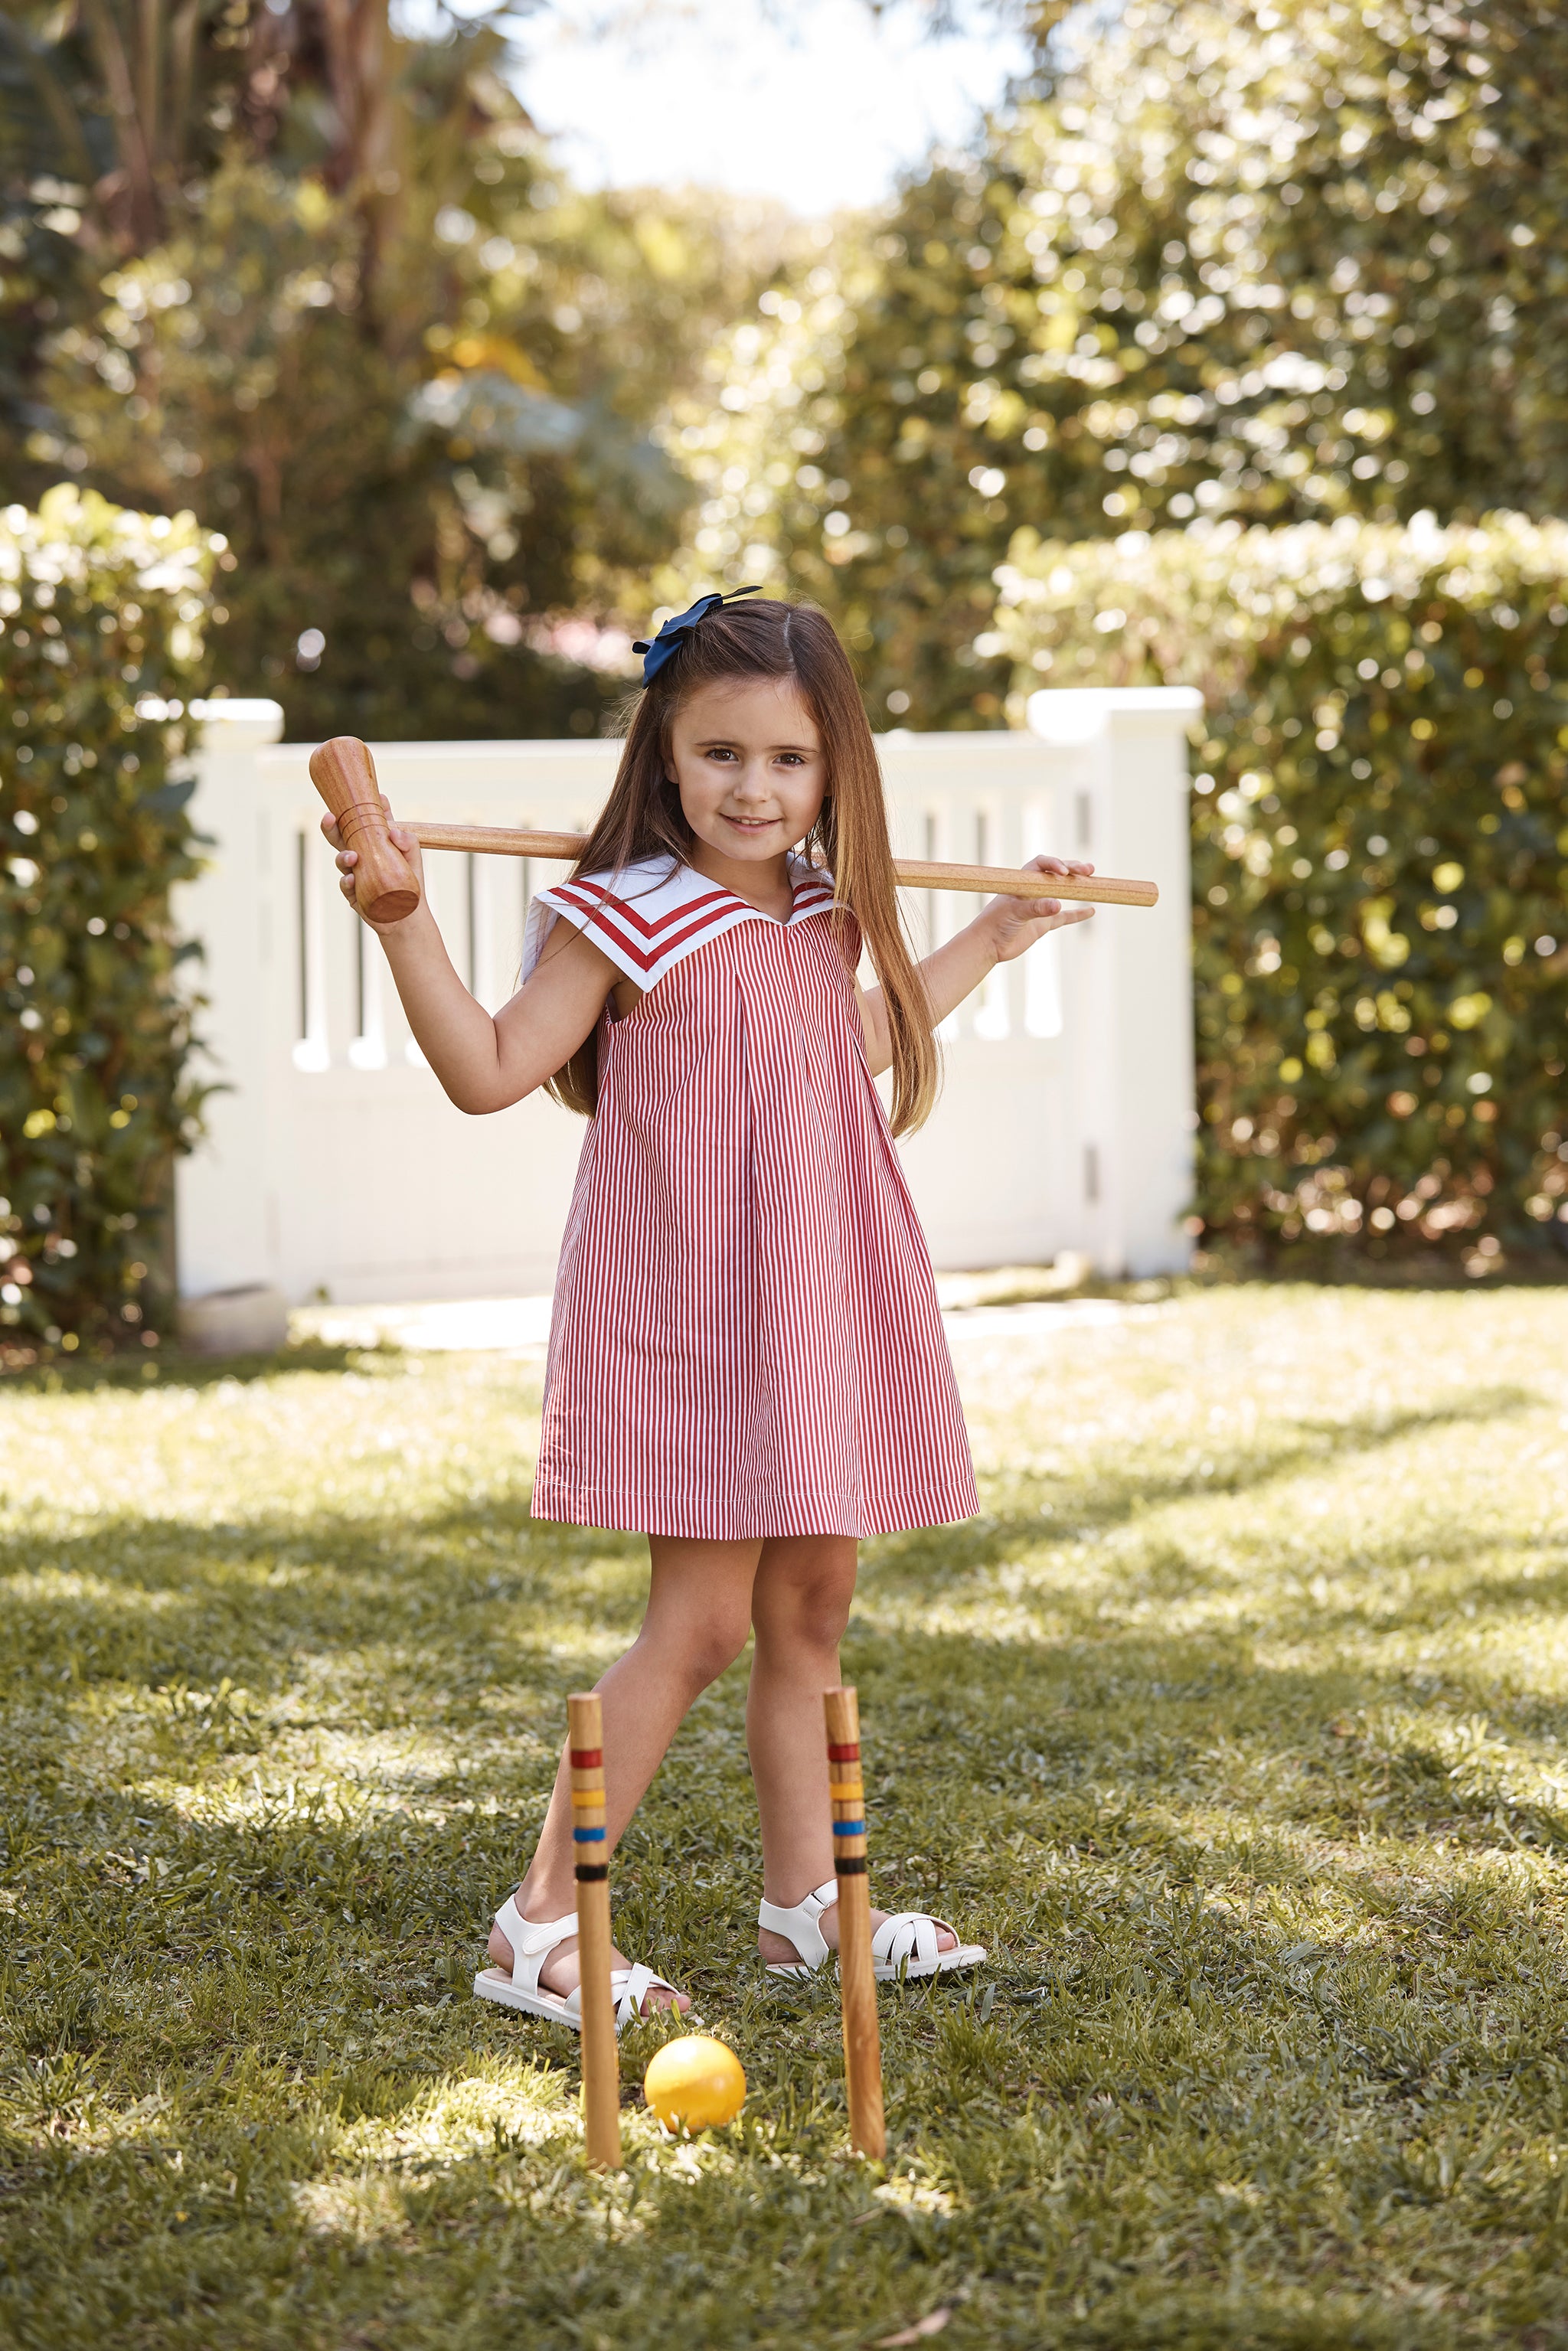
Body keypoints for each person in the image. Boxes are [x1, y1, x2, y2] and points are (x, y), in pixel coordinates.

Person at [325, 589, 1094, 2028]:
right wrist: (402, 920)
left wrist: (990, 937)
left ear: (834, 768)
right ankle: (538, 1926)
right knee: (699, 1625)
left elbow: (836, 1046)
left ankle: (808, 1912)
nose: (755, 788)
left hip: (817, 1287)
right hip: (700, 1303)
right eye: (722, 754)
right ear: (665, 755)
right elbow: (489, 1068)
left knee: (812, 1605)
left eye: (789, 760)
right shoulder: (626, 914)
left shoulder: (820, 907)